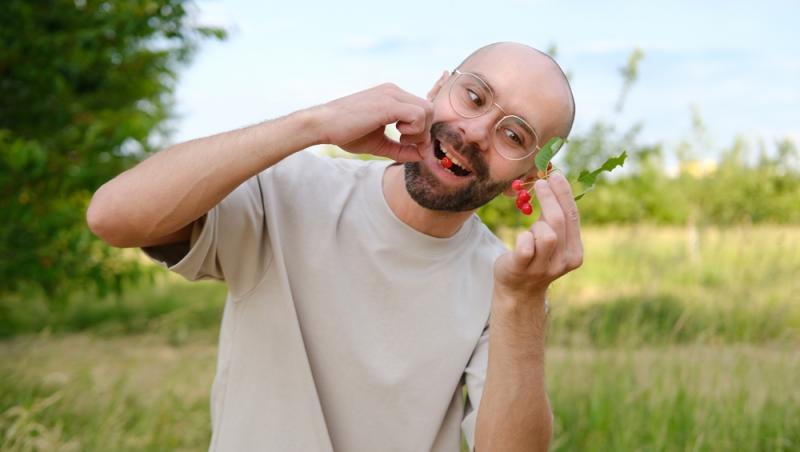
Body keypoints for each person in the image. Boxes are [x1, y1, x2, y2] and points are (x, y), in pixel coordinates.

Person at [87, 41, 580, 452]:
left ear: (532, 174)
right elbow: (112, 217)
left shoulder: (506, 286)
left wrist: (521, 301)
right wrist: (314, 124)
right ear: (438, 88)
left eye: (513, 134)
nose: (474, 133)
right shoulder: (291, 189)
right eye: (473, 97)